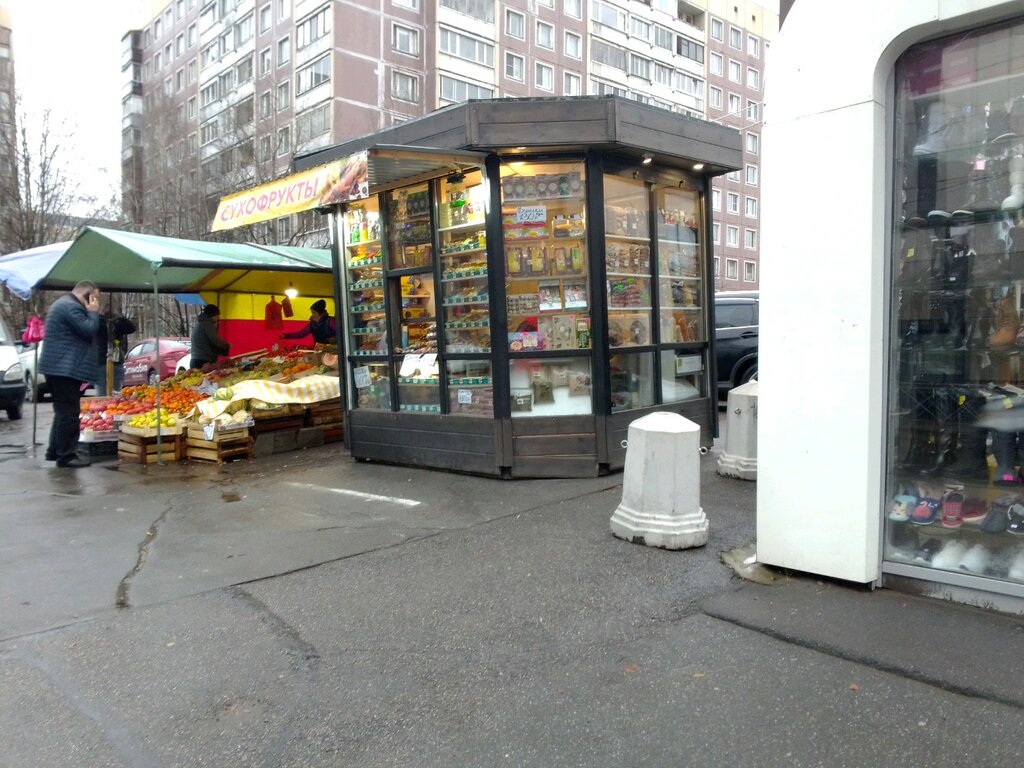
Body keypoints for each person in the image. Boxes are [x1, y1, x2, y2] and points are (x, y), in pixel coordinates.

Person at [39, 280, 103, 468]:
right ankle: (66, 456)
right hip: (64, 369)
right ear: (87, 295)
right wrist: (93, 312)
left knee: (62, 412)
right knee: (69, 413)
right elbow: (89, 330)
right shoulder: (71, 307)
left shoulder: (63, 304)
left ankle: (54, 451)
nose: (96, 302)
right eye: (95, 298)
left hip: (58, 368)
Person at [190, 303, 230, 370]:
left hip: (195, 359)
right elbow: (215, 339)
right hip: (203, 361)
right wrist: (226, 345)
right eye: (217, 315)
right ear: (213, 315)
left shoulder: (200, 323)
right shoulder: (207, 325)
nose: (218, 318)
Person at [109, 312, 137, 392]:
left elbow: (131, 328)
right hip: (103, 362)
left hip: (117, 360)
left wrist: (120, 317)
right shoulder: (101, 322)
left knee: (116, 390)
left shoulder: (118, 323)